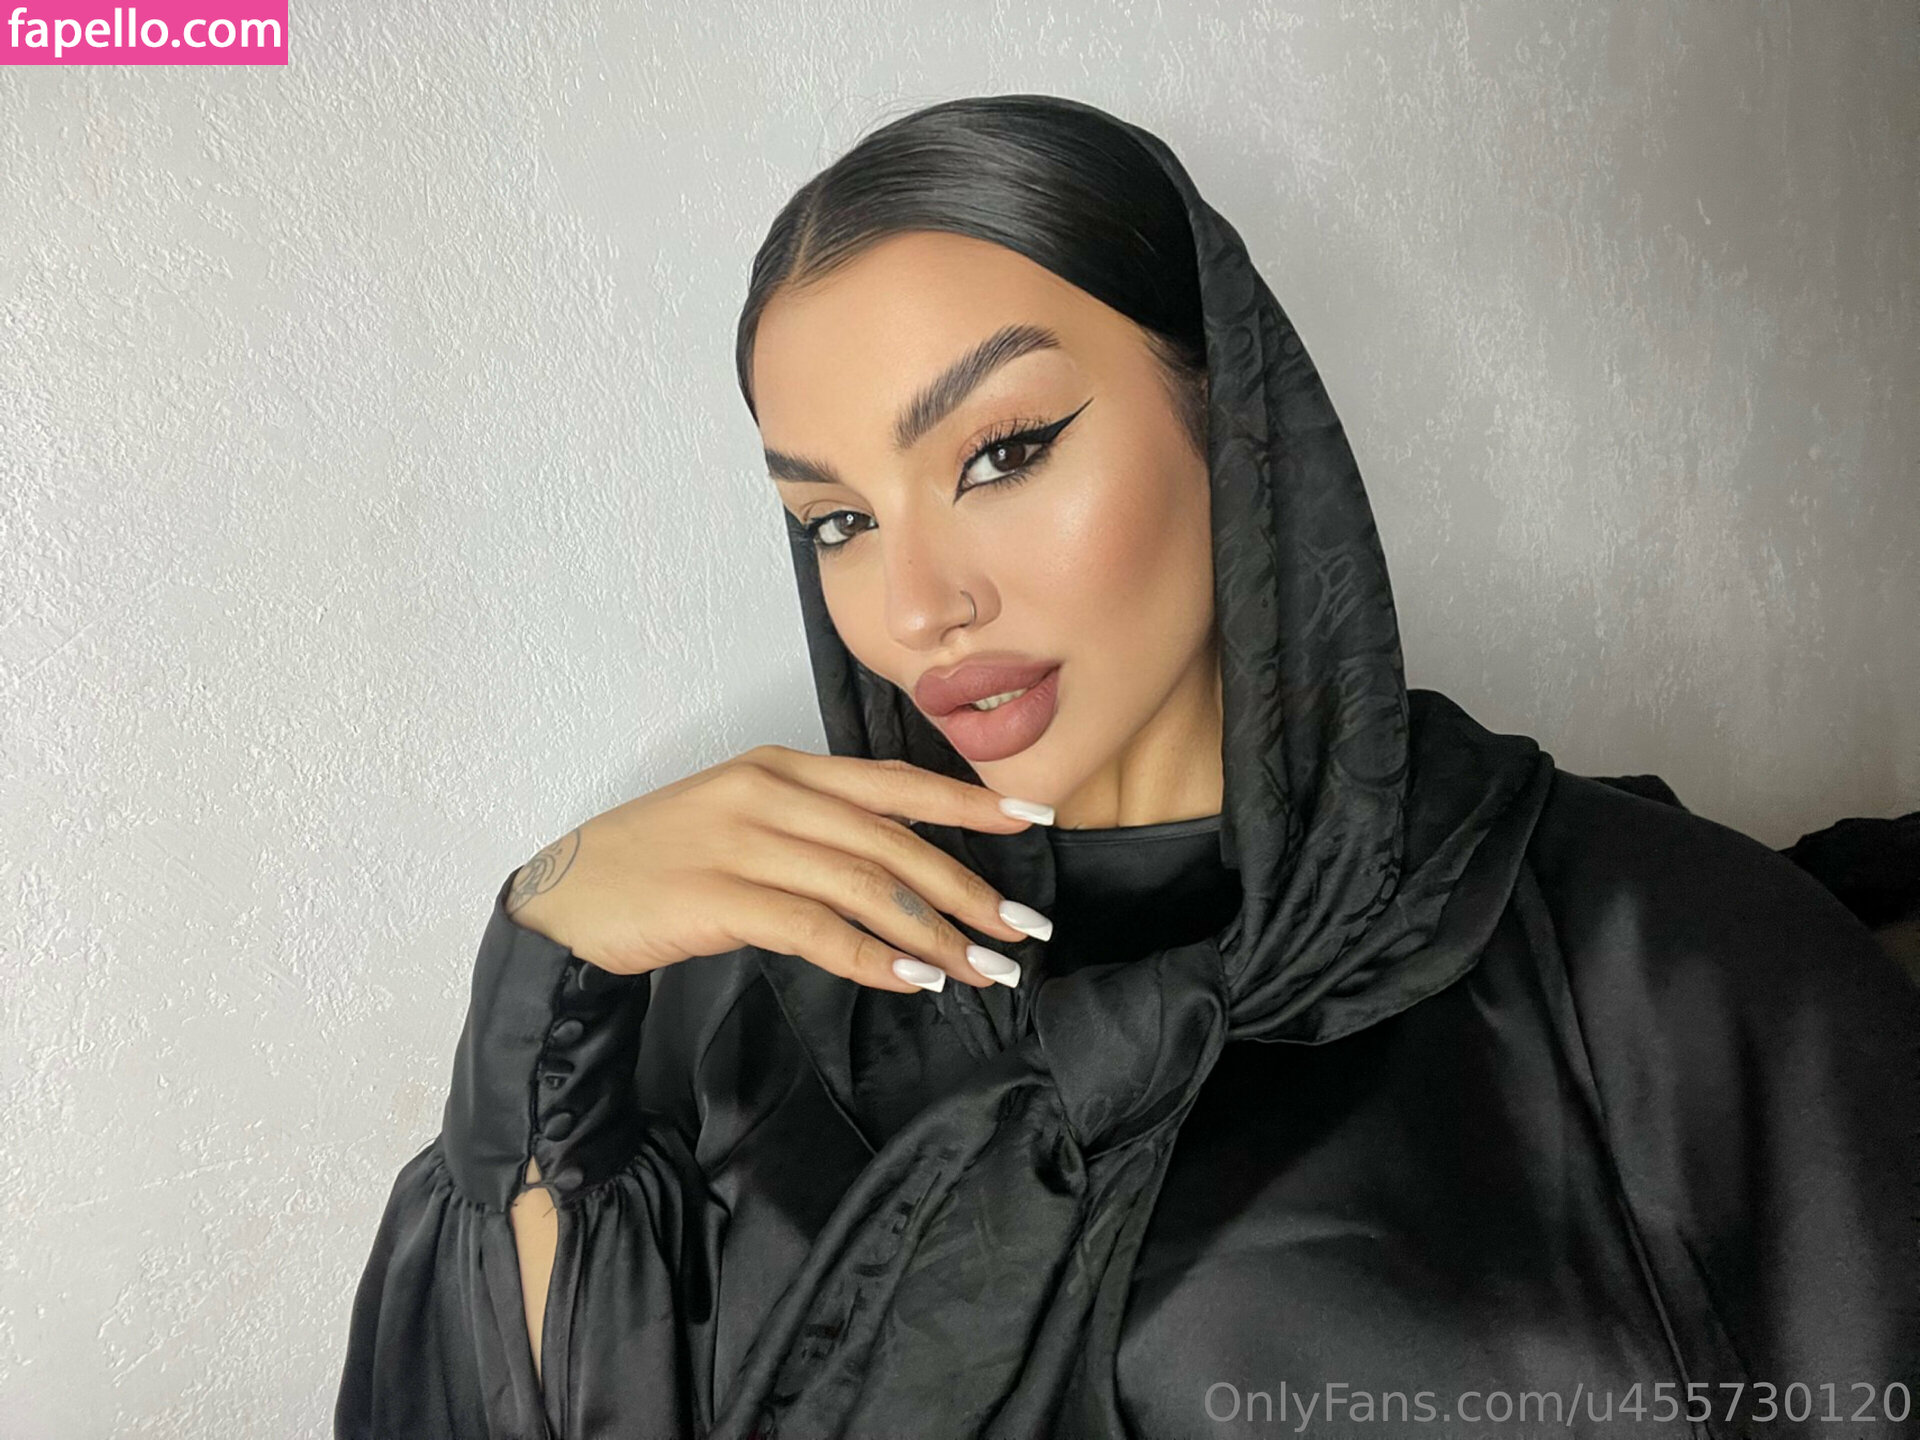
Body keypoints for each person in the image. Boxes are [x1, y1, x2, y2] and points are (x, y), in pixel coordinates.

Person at [333, 94, 1920, 1439]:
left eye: (1004, 453)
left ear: (1229, 414)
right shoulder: (759, 986)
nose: (917, 607)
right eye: (838, 519)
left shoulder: (1662, 965)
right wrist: (546, 975)